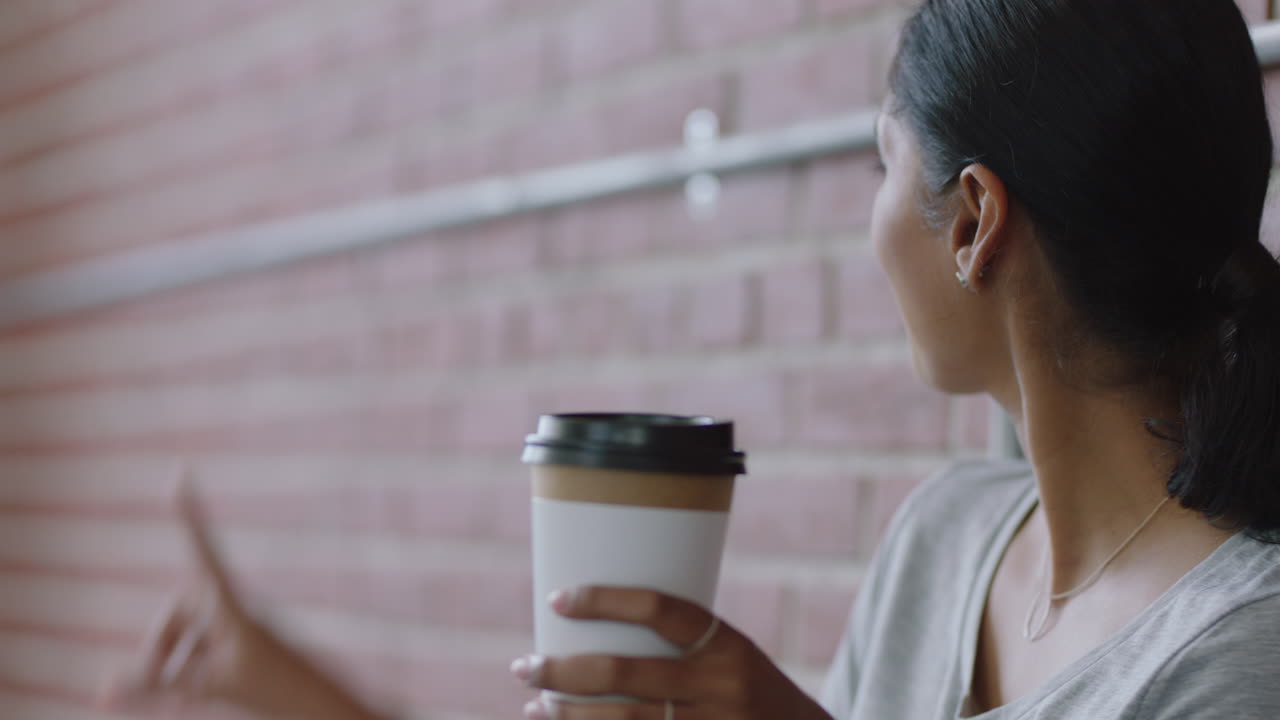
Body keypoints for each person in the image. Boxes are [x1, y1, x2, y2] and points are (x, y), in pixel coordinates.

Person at [104, 0, 1280, 718]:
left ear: (971, 221)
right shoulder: (945, 538)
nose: (867, 218)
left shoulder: (1239, 650)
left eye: (882, 164)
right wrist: (288, 690)